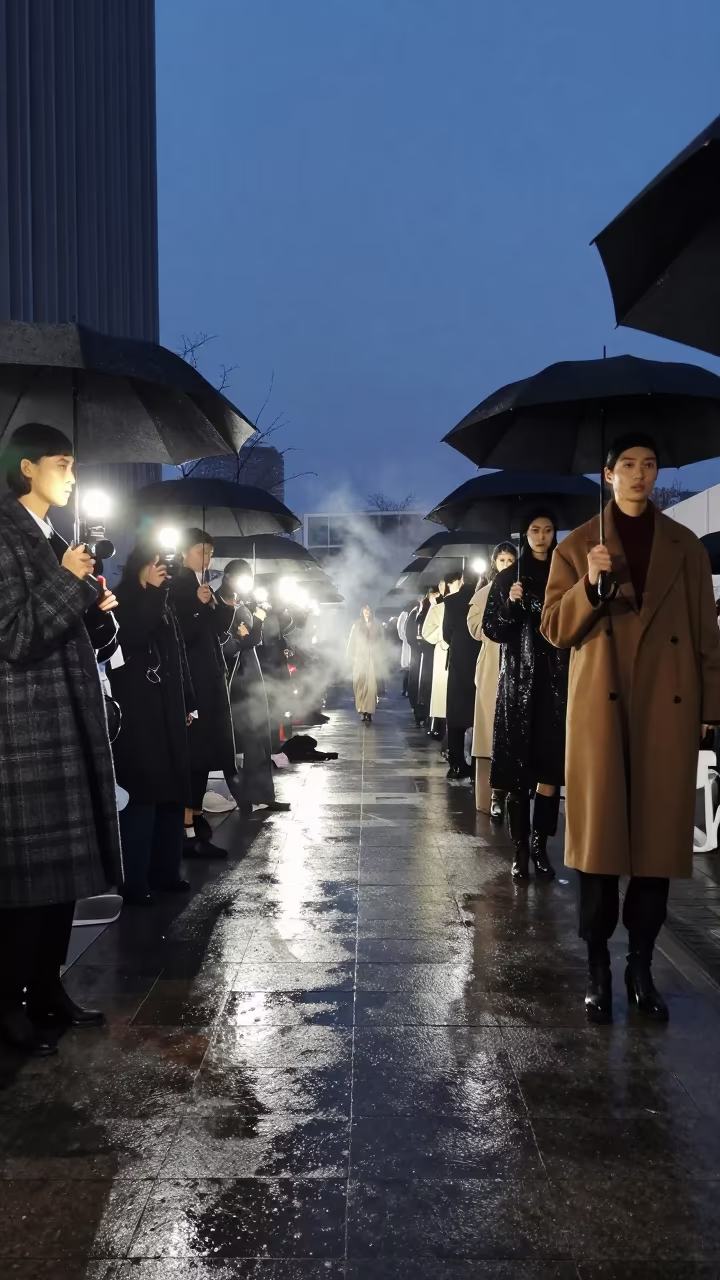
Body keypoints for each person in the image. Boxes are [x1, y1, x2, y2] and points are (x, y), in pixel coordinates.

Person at [542, 433, 720, 1024]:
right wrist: (590, 587)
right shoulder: (577, 546)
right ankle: (598, 968)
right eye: (628, 466)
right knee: (597, 851)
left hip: (667, 711)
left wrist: (709, 708)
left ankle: (639, 966)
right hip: (601, 712)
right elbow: (554, 629)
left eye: (649, 465)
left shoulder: (685, 547)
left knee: (654, 850)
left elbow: (705, 635)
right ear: (607, 474)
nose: (639, 475)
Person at [0, 423, 122, 1055]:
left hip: (65, 720)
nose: (72, 475)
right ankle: (9, 1003)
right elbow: (15, 635)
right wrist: (68, 582)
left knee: (61, 880)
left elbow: (69, 635)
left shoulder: (54, 540)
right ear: (28, 468)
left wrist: (96, 613)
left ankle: (46, 989)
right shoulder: (6, 534)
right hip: (26, 729)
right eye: (62, 463)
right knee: (24, 884)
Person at [483, 511, 568, 881]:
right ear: (524, 533)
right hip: (517, 683)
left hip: (556, 683)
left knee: (549, 771)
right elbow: (492, 630)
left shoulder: (566, 572)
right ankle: (519, 848)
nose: (542, 537)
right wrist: (511, 605)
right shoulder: (507, 578)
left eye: (548, 530)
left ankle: (540, 846)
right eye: (535, 530)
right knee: (518, 771)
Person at [110, 542, 195, 904]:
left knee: (172, 792)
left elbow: (178, 656)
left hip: (168, 708)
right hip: (136, 709)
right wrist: (155, 597)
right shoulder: (121, 599)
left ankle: (166, 872)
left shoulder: (165, 602)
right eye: (156, 563)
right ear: (140, 566)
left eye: (165, 564)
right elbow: (128, 638)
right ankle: (135, 881)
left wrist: (189, 701)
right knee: (142, 794)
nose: (163, 569)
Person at [169, 528, 236, 858]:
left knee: (207, 750)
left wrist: (224, 605)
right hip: (193, 677)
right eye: (200, 550)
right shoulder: (178, 585)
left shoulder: (202, 586)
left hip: (210, 675)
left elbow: (219, 630)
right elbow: (182, 631)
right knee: (195, 751)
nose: (206, 557)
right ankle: (187, 825)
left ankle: (194, 819)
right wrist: (197, 605)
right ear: (185, 552)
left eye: (210, 551)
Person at [220, 560, 290, 816]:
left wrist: (259, 617)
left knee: (259, 739)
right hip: (234, 682)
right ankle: (244, 795)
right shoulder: (217, 605)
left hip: (252, 677)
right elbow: (237, 642)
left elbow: (254, 638)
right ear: (228, 577)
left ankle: (262, 795)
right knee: (244, 742)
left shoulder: (241, 606)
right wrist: (248, 630)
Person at [467, 543, 517, 819]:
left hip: (519, 666)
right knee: (489, 731)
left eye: (511, 559)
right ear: (494, 562)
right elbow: (475, 629)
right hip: (490, 666)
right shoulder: (483, 594)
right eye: (502, 559)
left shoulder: (525, 589)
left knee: (514, 729)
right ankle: (491, 796)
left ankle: (513, 794)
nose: (506, 564)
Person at [442, 570, 481, 779]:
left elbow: (446, 633)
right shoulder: (483, 596)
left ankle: (456, 763)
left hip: (458, 658)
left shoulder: (451, 601)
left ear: (462, 581)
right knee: (478, 713)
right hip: (479, 656)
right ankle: (477, 764)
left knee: (456, 712)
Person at [422, 580, 448, 740]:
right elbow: (427, 632)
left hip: (455, 653)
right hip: (443, 652)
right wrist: (443, 634)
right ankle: (438, 725)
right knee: (441, 694)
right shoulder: (438, 607)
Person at [347, 604, 381, 723]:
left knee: (371, 687)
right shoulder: (356, 626)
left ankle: (369, 711)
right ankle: (361, 709)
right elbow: (351, 643)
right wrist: (351, 657)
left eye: (368, 609)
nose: (367, 611)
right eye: (365, 609)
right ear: (361, 611)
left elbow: (381, 643)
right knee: (359, 685)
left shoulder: (376, 626)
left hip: (371, 659)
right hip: (359, 658)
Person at [415, 586, 439, 728]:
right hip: (427, 651)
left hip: (431, 651)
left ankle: (427, 715)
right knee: (426, 684)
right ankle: (424, 714)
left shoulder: (432, 608)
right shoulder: (425, 609)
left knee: (429, 685)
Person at [397, 608, 412, 695]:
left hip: (411, 647)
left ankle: (407, 690)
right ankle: (405, 689)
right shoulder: (404, 615)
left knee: (409, 671)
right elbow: (400, 631)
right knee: (407, 670)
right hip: (407, 646)